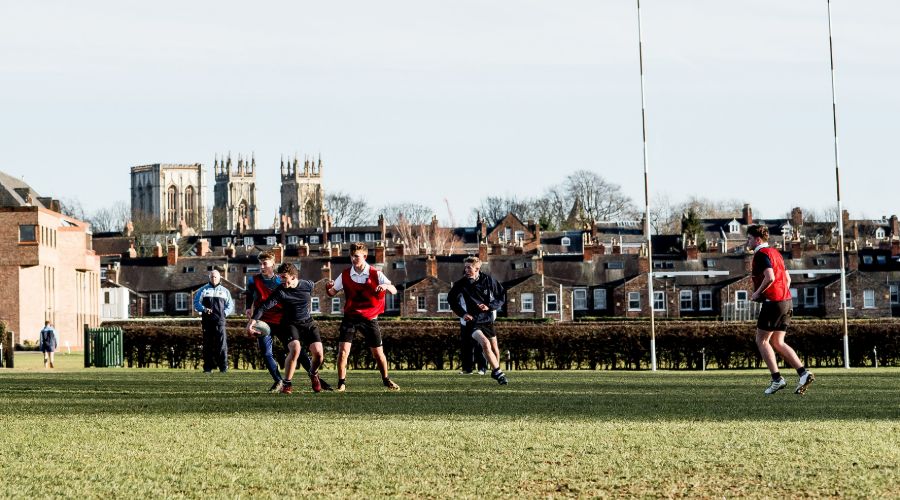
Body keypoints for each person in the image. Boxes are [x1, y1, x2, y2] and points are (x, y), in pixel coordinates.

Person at [245, 252, 331, 393]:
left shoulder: (299, 283)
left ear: (273, 264)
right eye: (260, 263)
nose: (261, 266)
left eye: (264, 263)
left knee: (310, 353)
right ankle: (282, 382)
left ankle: (315, 376)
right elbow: (259, 302)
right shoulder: (259, 282)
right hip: (272, 322)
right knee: (281, 351)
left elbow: (320, 287)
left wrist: (330, 287)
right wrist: (251, 318)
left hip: (289, 321)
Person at [747, 224, 814, 395]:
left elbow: (770, 276)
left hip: (774, 302)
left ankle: (777, 379)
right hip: (786, 301)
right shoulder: (776, 253)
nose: (747, 241)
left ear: (757, 239)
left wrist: (757, 293)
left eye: (748, 238)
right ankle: (803, 373)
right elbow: (788, 279)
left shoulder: (761, 254)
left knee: (761, 341)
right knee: (778, 342)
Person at [326, 242, 400, 392]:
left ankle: (386, 380)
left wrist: (385, 286)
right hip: (350, 317)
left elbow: (394, 290)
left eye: (357, 256)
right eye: (352, 256)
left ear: (365, 256)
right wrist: (328, 287)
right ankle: (341, 384)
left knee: (378, 354)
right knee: (343, 352)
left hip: (370, 318)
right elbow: (332, 293)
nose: (354, 259)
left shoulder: (376, 273)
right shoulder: (345, 274)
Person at [448, 256, 508, 385]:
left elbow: (501, 296)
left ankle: (494, 371)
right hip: (472, 321)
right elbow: (451, 300)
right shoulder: (461, 284)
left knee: (494, 348)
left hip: (487, 319)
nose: (466, 270)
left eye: (469, 267)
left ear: (477, 269)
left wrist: (490, 307)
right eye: (465, 267)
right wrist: (463, 314)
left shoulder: (488, 280)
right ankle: (499, 373)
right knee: (485, 344)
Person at [193, 269, 234, 373]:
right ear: (209, 278)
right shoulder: (202, 290)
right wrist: (204, 309)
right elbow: (196, 303)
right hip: (207, 321)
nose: (213, 278)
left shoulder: (225, 291)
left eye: (215, 277)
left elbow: (230, 305)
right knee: (207, 345)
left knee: (221, 345)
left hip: (220, 321)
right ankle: (208, 368)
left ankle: (223, 368)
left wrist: (224, 313)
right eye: (211, 277)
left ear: (219, 278)